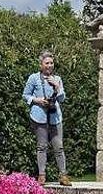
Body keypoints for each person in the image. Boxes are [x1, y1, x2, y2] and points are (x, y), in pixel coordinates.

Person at [23, 51, 70, 186]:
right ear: (41, 65)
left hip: (55, 117)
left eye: (51, 63)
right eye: (47, 63)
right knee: (41, 147)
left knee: (59, 147)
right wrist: (37, 100)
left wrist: (57, 86)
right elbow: (25, 95)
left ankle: (63, 175)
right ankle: (42, 175)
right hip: (39, 116)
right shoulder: (33, 78)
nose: (49, 65)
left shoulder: (58, 79)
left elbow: (61, 99)